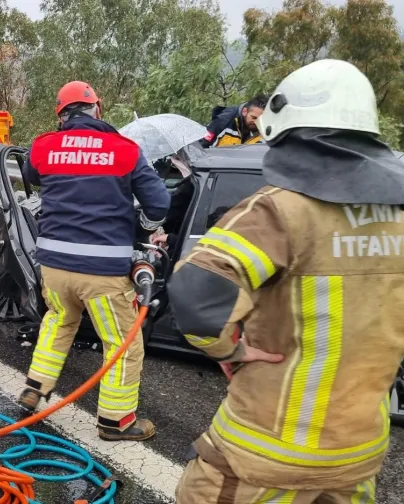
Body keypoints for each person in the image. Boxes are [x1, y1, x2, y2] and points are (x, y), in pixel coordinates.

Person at [168, 59, 404, 503]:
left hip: (264, 451)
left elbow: (197, 293)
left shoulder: (279, 209)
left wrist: (227, 350)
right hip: (358, 455)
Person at [16, 81, 170, 441]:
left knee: (58, 322)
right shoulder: (125, 149)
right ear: (97, 109)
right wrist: (143, 225)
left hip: (53, 266)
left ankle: (34, 389)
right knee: (121, 343)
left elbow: (31, 176)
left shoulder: (43, 146)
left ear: (61, 114)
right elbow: (159, 204)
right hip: (102, 272)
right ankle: (115, 422)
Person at [200, 94, 267, 148]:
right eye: (253, 117)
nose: (256, 122)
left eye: (260, 119)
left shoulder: (267, 131)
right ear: (244, 111)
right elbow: (201, 145)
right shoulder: (223, 121)